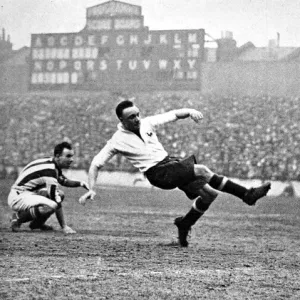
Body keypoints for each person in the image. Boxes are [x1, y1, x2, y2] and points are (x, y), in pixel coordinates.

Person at [80, 100, 271, 247]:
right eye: (131, 117)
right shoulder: (116, 141)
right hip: (158, 173)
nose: (137, 119)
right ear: (121, 120)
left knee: (210, 194)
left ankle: (184, 224)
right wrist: (91, 188)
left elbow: (172, 115)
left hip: (171, 164)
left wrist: (189, 111)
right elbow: (95, 164)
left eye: (137, 114)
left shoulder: (147, 123)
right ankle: (246, 195)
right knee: (203, 170)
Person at [8, 142, 89, 234]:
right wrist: (64, 226)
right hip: (18, 197)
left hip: (27, 194)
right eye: (68, 156)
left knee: (58, 196)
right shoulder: (50, 170)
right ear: (58, 156)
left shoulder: (51, 163)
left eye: (72, 156)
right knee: (53, 204)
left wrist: (82, 183)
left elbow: (64, 181)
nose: (72, 159)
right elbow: (56, 201)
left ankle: (37, 224)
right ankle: (17, 218)